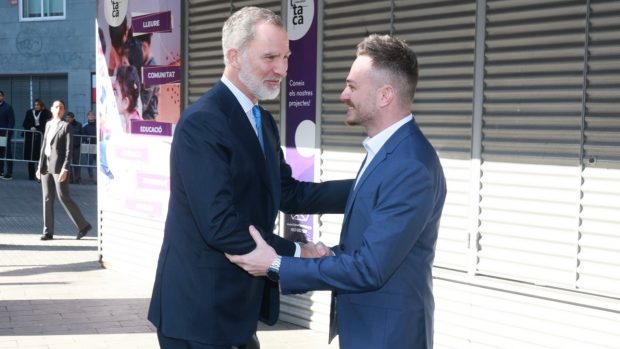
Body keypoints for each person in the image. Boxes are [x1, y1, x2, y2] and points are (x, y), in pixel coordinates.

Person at [147, 7, 352, 349]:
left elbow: (288, 193)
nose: (283, 69)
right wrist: (300, 252)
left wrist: (366, 188)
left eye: (286, 57)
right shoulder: (203, 122)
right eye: (270, 57)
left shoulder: (263, 122)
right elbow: (220, 225)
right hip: (197, 312)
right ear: (234, 56)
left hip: (239, 310)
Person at [227, 34, 447, 349]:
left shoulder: (409, 164)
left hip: (386, 337)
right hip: (370, 330)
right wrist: (329, 254)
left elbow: (370, 268)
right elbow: (373, 244)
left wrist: (276, 264)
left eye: (353, 87)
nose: (343, 94)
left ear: (385, 95)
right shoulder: (389, 151)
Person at [37, 100, 92, 241]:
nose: (59, 109)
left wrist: (65, 168)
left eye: (61, 108)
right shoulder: (48, 124)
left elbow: (69, 151)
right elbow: (44, 146)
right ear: (51, 109)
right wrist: (39, 166)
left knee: (63, 196)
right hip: (46, 165)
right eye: (56, 107)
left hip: (59, 166)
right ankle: (48, 231)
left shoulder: (66, 126)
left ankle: (83, 225)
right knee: (47, 198)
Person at [23, 99, 51, 181]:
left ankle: (40, 174)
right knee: (30, 157)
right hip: (30, 138)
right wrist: (30, 127)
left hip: (40, 138)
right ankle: (31, 175)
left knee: (40, 157)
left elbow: (48, 123)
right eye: (35, 105)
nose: (36, 106)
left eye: (38, 105)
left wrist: (38, 129)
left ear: (41, 105)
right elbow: (25, 123)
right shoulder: (29, 112)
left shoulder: (46, 113)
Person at [113, 65, 142, 133]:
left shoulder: (134, 128)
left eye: (116, 93)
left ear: (125, 103)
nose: (113, 97)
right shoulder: (133, 122)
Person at [0, 90, 15, 180]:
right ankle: (0, 171)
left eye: (0, 95)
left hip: (4, 134)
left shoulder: (8, 107)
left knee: (7, 153)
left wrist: (8, 133)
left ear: (3, 97)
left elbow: (11, 121)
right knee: (0, 153)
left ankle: (9, 173)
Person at [66, 112, 82, 184]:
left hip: (76, 146)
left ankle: (77, 178)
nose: (68, 119)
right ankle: (70, 178)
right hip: (67, 146)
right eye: (67, 117)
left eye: (69, 118)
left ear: (73, 118)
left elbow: (82, 134)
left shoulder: (79, 125)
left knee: (76, 163)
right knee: (68, 163)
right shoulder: (64, 124)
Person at [81, 111, 97, 184]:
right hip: (88, 146)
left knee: (98, 162)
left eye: (93, 115)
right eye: (89, 115)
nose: (91, 117)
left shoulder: (99, 124)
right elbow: (83, 134)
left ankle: (98, 176)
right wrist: (86, 138)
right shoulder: (85, 125)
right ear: (87, 117)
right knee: (89, 162)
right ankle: (91, 176)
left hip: (97, 145)